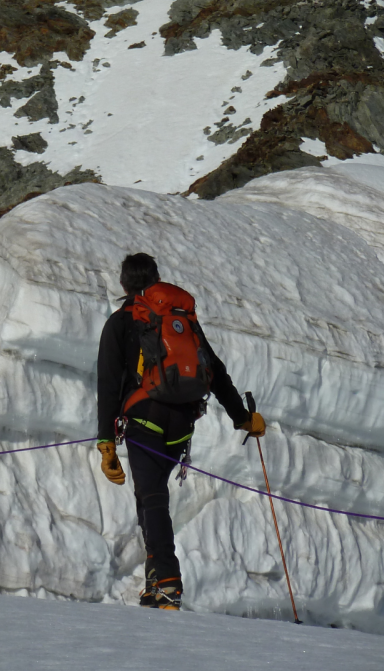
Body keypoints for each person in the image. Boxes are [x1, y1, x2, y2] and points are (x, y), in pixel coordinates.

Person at [95, 254, 265, 609]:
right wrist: (242, 418)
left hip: (144, 419)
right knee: (151, 496)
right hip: (181, 426)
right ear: (156, 280)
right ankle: (155, 581)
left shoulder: (120, 323)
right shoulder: (180, 321)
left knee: (152, 496)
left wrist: (106, 443)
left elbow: (109, 385)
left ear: (124, 285)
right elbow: (214, 370)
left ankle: (167, 580)